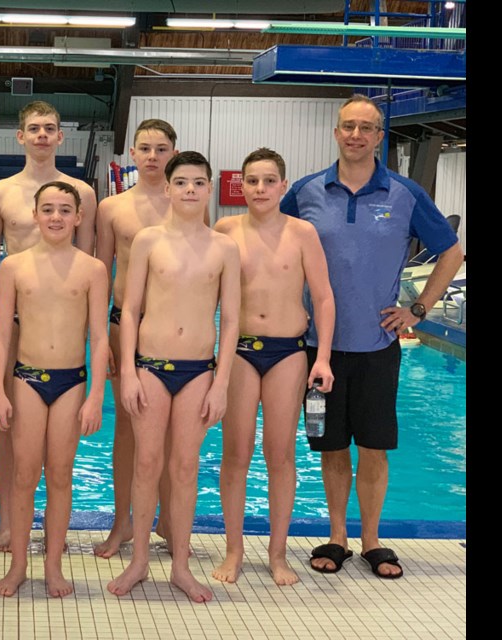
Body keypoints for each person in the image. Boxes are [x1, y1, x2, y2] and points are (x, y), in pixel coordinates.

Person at [280, 95, 463, 579]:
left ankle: (372, 540)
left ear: (380, 136)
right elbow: (270, 241)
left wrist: (417, 310)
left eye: (367, 127)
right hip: (317, 350)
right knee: (331, 445)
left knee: (374, 447)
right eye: (348, 126)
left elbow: (451, 251)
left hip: (378, 347)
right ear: (335, 132)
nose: (356, 135)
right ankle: (337, 537)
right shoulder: (304, 192)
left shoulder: (404, 194)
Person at [107, 151, 240, 604]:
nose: (189, 189)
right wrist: (127, 370)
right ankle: (140, 560)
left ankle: (180, 565)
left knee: (185, 467)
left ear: (208, 189)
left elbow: (233, 321)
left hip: (199, 371)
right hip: (151, 367)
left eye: (198, 183)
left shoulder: (224, 247)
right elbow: (128, 309)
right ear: (167, 189)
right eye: (180, 181)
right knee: (147, 463)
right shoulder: (147, 240)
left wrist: (221, 383)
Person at [211, 148, 335, 587]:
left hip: (288, 351)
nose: (260, 189)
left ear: (284, 185)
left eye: (268, 181)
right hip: (241, 350)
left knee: (280, 454)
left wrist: (322, 357)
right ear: (240, 186)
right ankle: (234, 549)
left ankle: (278, 553)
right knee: (236, 453)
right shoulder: (225, 231)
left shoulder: (303, 233)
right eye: (251, 181)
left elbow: (322, 297)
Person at [0, 100, 98, 551]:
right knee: (6, 427)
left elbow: (87, 263)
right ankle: (10, 521)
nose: (43, 135)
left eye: (51, 127)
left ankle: (51, 530)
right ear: (20, 136)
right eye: (34, 128)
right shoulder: (0, 194)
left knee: (57, 446)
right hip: (12, 324)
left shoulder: (81, 193)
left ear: (61, 136)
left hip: (60, 328)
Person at [0, 181, 109, 598]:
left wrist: (96, 395)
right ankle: (19, 564)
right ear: (35, 216)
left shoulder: (92, 269)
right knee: (24, 475)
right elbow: (2, 333)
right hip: (26, 379)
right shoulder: (13, 267)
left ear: (78, 217)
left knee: (60, 474)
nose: (56, 217)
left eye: (64, 210)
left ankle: (53, 566)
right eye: (48, 210)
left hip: (71, 381)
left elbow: (98, 337)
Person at [93, 118, 178, 558]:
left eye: (161, 149)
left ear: (173, 153)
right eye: (144, 148)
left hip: (170, 327)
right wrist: (101, 340)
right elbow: (100, 271)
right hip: (122, 322)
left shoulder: (186, 203)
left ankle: (165, 519)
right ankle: (121, 522)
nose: (151, 157)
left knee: (167, 432)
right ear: (131, 153)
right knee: (127, 430)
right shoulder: (112, 209)